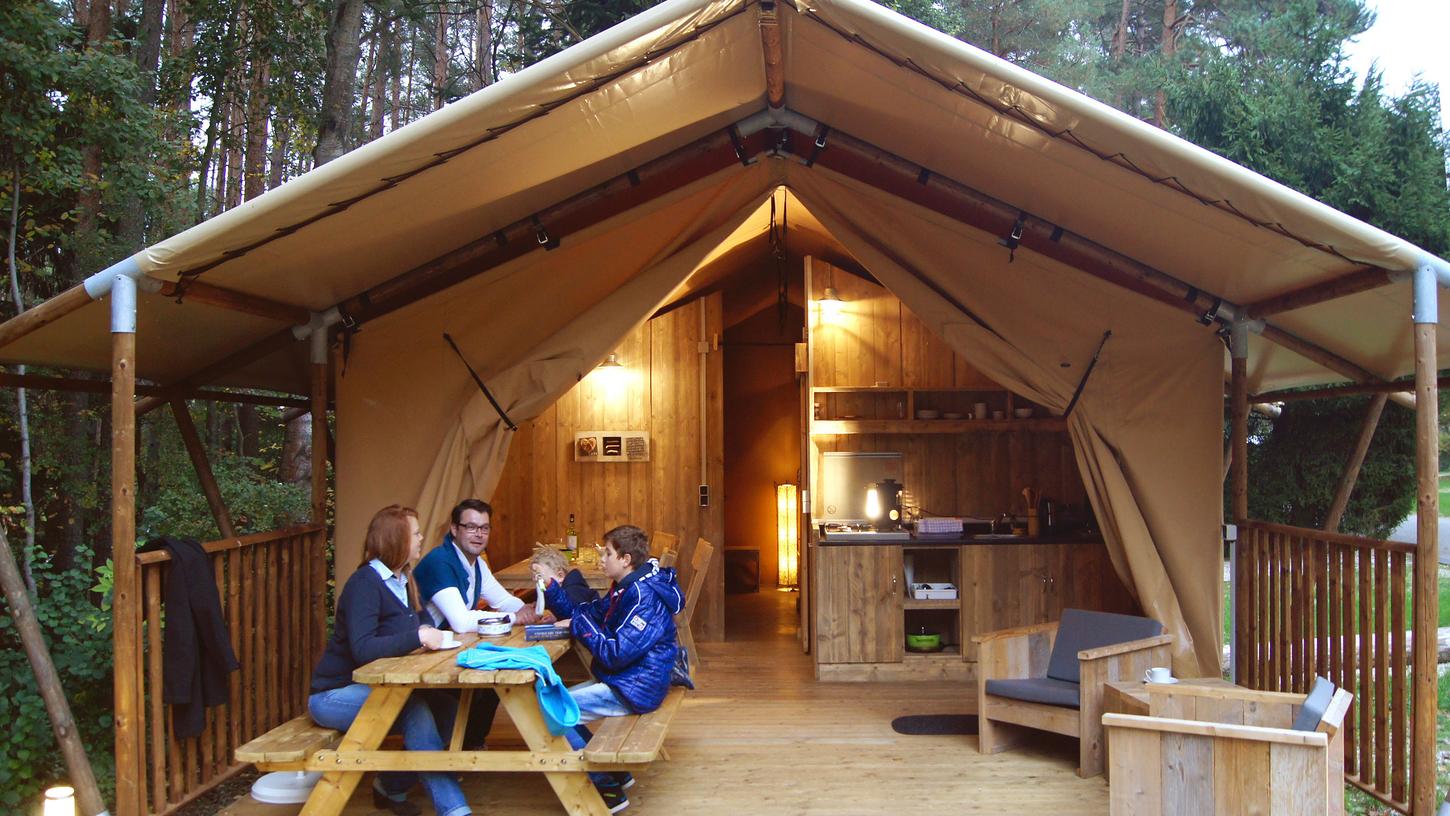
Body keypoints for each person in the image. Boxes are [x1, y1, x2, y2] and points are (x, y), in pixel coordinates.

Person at [307, 505, 470, 816]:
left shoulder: (402, 580)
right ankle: (455, 810)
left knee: (447, 708)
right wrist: (418, 637)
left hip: (379, 689)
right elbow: (363, 649)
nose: (422, 538)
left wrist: (429, 633)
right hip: (334, 694)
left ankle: (390, 786)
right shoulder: (364, 584)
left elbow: (421, 622)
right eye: (416, 533)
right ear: (396, 539)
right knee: (416, 710)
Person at [545, 525, 691, 813]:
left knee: (553, 709)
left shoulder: (642, 598)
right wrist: (552, 588)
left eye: (607, 553)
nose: (602, 558)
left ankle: (606, 787)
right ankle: (612, 773)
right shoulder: (624, 588)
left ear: (625, 560)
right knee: (555, 702)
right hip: (629, 680)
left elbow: (614, 654)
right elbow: (589, 614)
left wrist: (578, 625)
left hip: (638, 687)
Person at [412, 498, 541, 750]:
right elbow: (460, 621)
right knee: (489, 679)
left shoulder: (476, 563)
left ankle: (469, 746)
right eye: (471, 527)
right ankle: (457, 750)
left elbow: (503, 600)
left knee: (494, 678)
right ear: (454, 529)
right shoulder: (441, 561)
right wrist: (516, 618)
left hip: (444, 651)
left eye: (484, 528)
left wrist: (532, 612)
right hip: (418, 655)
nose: (478, 534)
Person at [530, 543, 599, 615]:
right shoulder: (548, 590)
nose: (535, 579)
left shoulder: (574, 591)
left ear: (560, 576)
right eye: (534, 576)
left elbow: (573, 614)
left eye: (540, 576)